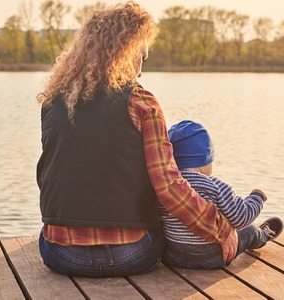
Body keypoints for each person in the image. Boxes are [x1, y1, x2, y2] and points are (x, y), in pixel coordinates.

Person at [36, 2, 238, 278]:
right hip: (132, 254)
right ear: (124, 53)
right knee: (179, 240)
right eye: (140, 58)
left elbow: (53, 174)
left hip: (61, 255)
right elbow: (169, 186)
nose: (140, 71)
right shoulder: (141, 102)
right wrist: (221, 228)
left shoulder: (52, 103)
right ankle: (247, 235)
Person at [161, 120, 283, 269]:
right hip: (213, 258)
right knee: (249, 229)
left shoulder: (165, 187)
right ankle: (262, 236)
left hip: (173, 256)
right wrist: (256, 198)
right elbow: (241, 217)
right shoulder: (214, 185)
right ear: (205, 160)